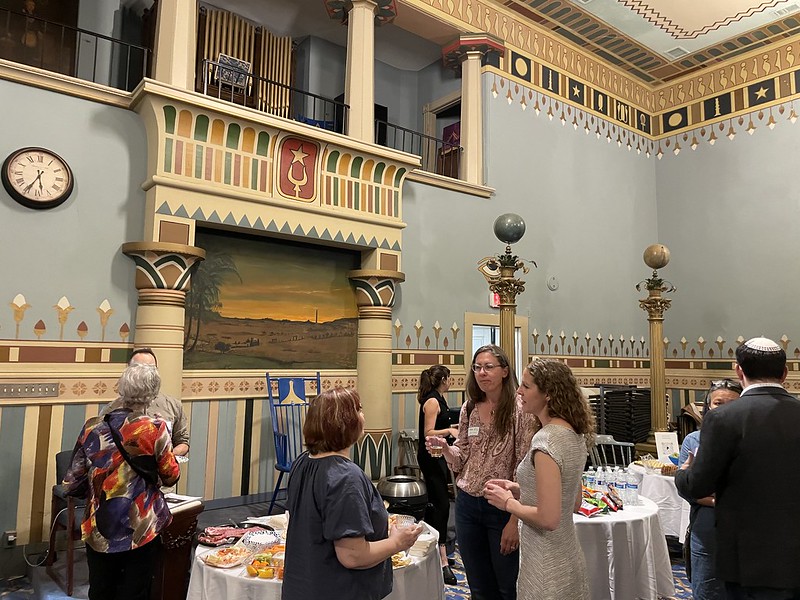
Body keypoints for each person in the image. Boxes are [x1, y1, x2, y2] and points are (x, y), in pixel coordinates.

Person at [676, 338, 800, 599]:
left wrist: (682, 473)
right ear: (785, 373)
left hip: (747, 559)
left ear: (739, 371)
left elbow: (698, 485)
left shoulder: (723, 418)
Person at [282, 387, 423, 600]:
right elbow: (352, 555)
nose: (363, 416)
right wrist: (397, 542)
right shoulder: (345, 477)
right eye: (359, 410)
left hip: (304, 585)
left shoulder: (303, 462)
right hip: (338, 589)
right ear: (345, 422)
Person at [426, 344, 536, 600]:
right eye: (477, 367)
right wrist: (445, 449)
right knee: (478, 585)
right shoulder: (470, 408)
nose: (482, 373)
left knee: (507, 586)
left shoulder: (520, 410)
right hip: (467, 504)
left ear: (505, 371)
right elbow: (462, 456)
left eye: (489, 367)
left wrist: (514, 520)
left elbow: (524, 465)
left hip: (501, 508)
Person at [63, 363, 180, 600]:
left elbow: (72, 482)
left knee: (101, 589)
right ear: (153, 393)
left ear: (122, 390)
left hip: (100, 525)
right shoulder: (155, 429)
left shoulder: (92, 427)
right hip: (140, 526)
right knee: (135, 591)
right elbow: (170, 476)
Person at [483, 358, 593, 600]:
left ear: (548, 394)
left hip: (544, 564)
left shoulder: (546, 442)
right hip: (568, 556)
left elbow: (549, 518)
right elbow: (572, 501)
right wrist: (519, 488)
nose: (519, 391)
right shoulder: (573, 434)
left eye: (526, 386)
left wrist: (507, 503)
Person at [677, 378, 742, 600]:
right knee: (706, 589)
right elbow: (690, 490)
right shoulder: (693, 440)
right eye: (718, 403)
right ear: (708, 406)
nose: (724, 409)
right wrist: (720, 499)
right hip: (707, 528)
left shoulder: (750, 438)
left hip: (744, 528)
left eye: (732, 403)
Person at [102, 348, 189, 457]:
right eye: (138, 368)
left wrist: (167, 457)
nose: (144, 374)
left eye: (149, 369)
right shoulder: (112, 409)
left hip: (161, 471)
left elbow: (182, 441)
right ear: (128, 372)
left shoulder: (173, 406)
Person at [416, 365, 458, 585]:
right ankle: (440, 557)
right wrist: (450, 431)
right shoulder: (432, 401)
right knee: (441, 504)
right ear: (443, 379)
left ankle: (436, 551)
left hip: (438, 454)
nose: (451, 381)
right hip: (430, 457)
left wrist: (454, 427)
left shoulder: (439, 399)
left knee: (439, 504)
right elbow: (428, 432)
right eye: (449, 378)